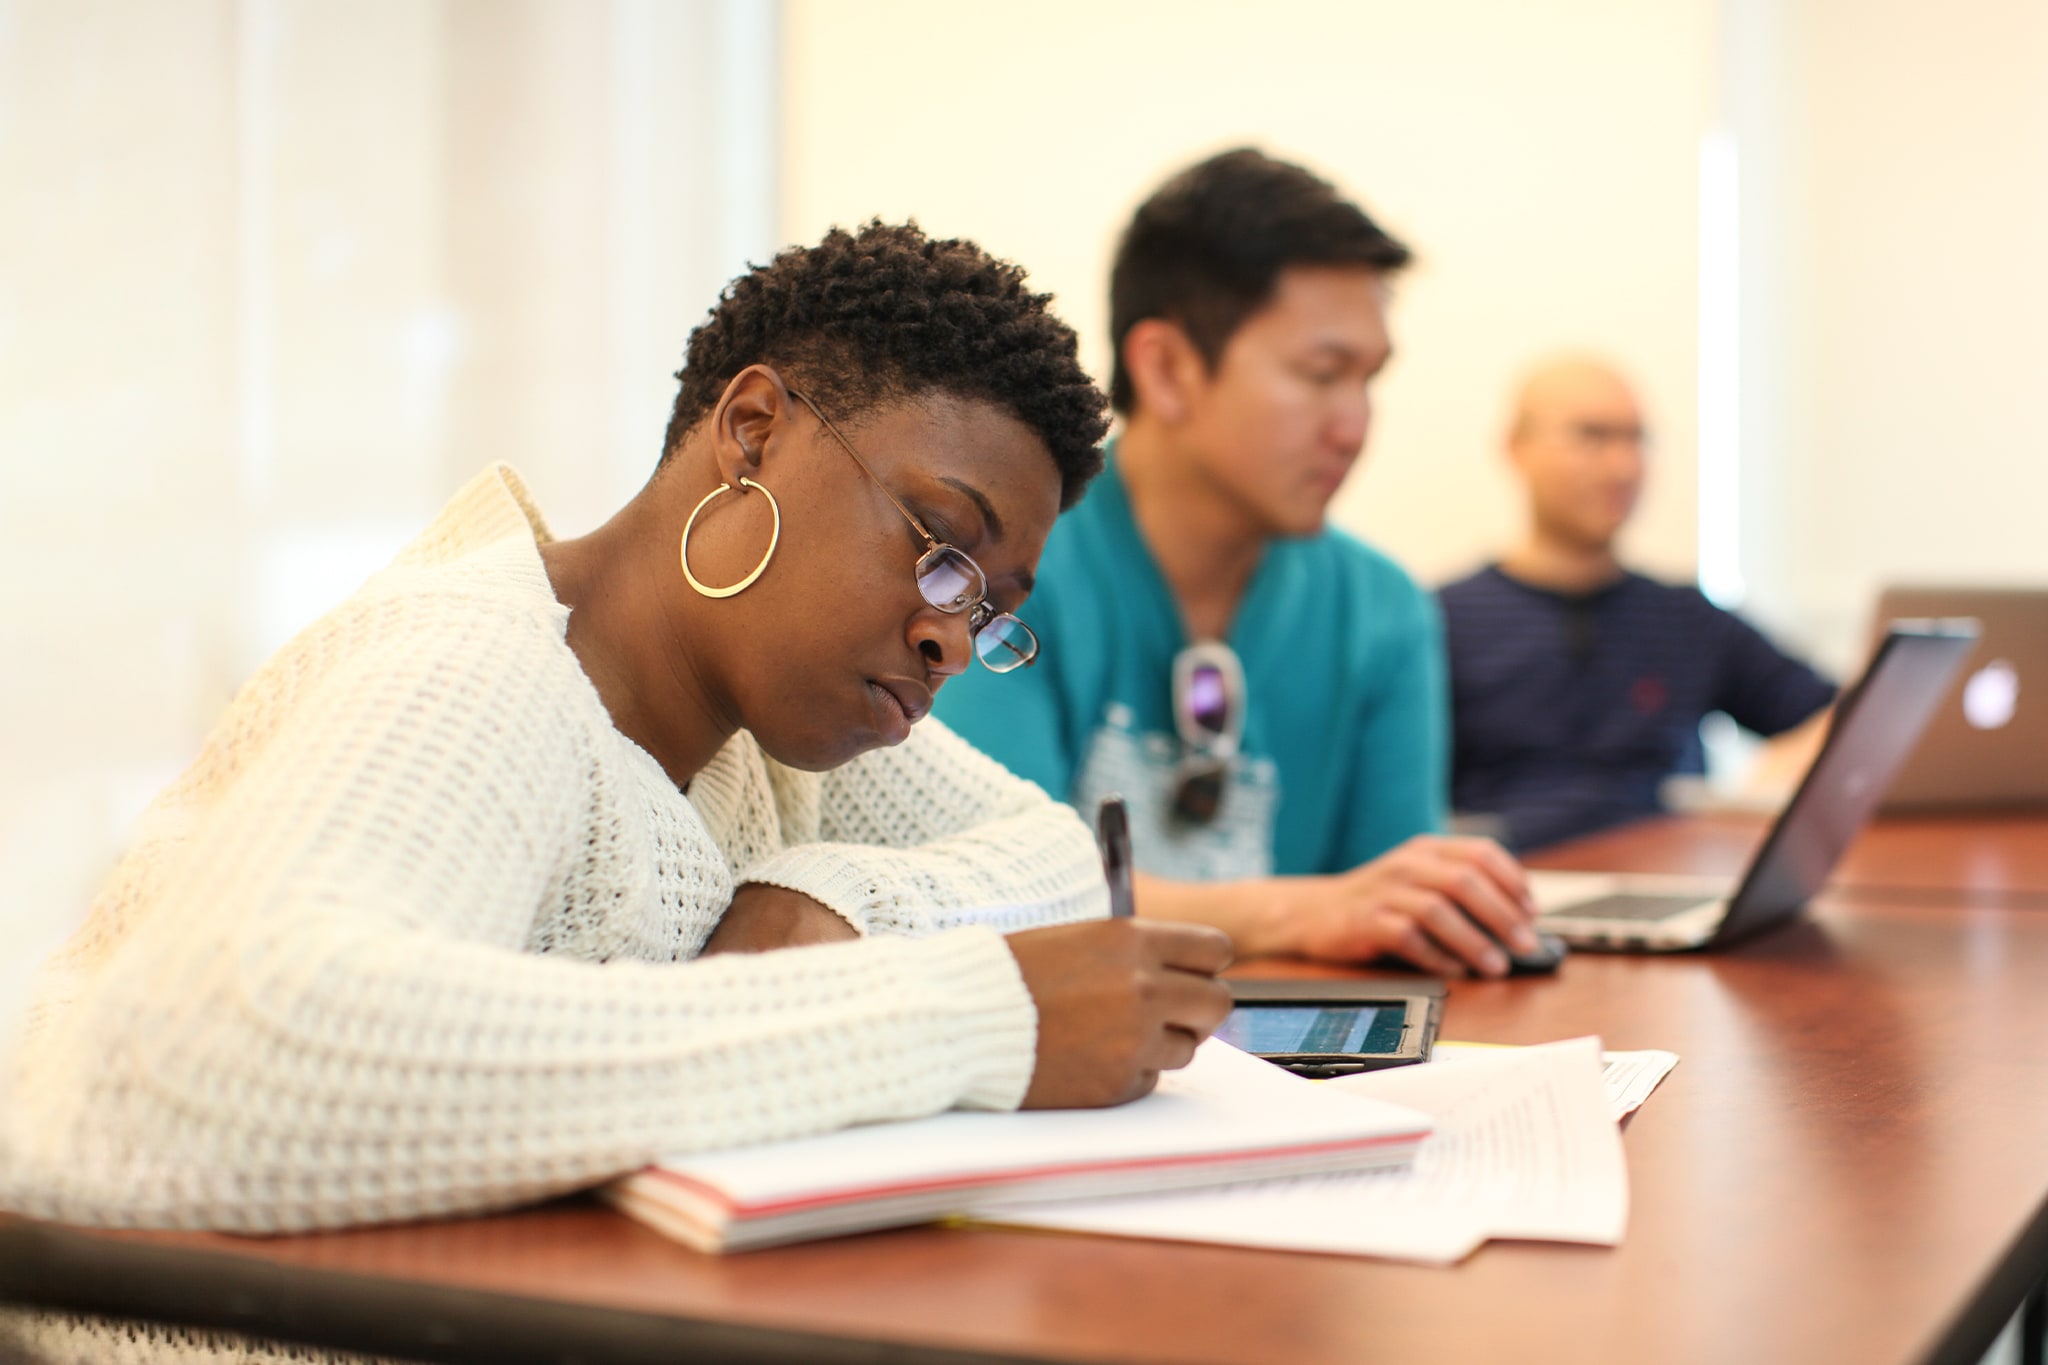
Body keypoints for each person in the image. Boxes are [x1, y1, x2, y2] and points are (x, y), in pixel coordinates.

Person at [0, 220, 1236, 1273]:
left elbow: (1053, 856)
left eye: (988, 606)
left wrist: (833, 909)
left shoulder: (764, 720)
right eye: (939, 546)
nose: (949, 640)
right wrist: (962, 1020)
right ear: (751, 430)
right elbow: (232, 1056)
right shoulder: (473, 671)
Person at [935, 150, 1542, 979]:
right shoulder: (998, 574)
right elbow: (987, 890)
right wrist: (1300, 910)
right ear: (1168, 369)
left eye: (1370, 381)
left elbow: (1403, 909)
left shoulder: (1383, 609)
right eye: (1322, 375)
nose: (1356, 425)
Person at [1438, 354, 1836, 851]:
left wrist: (1767, 781)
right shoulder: (1440, 623)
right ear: (1516, 447)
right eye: (1592, 436)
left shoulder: (1688, 619)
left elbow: (1840, 718)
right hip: (1511, 886)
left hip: (1670, 880)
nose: (1623, 466)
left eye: (1637, 439)